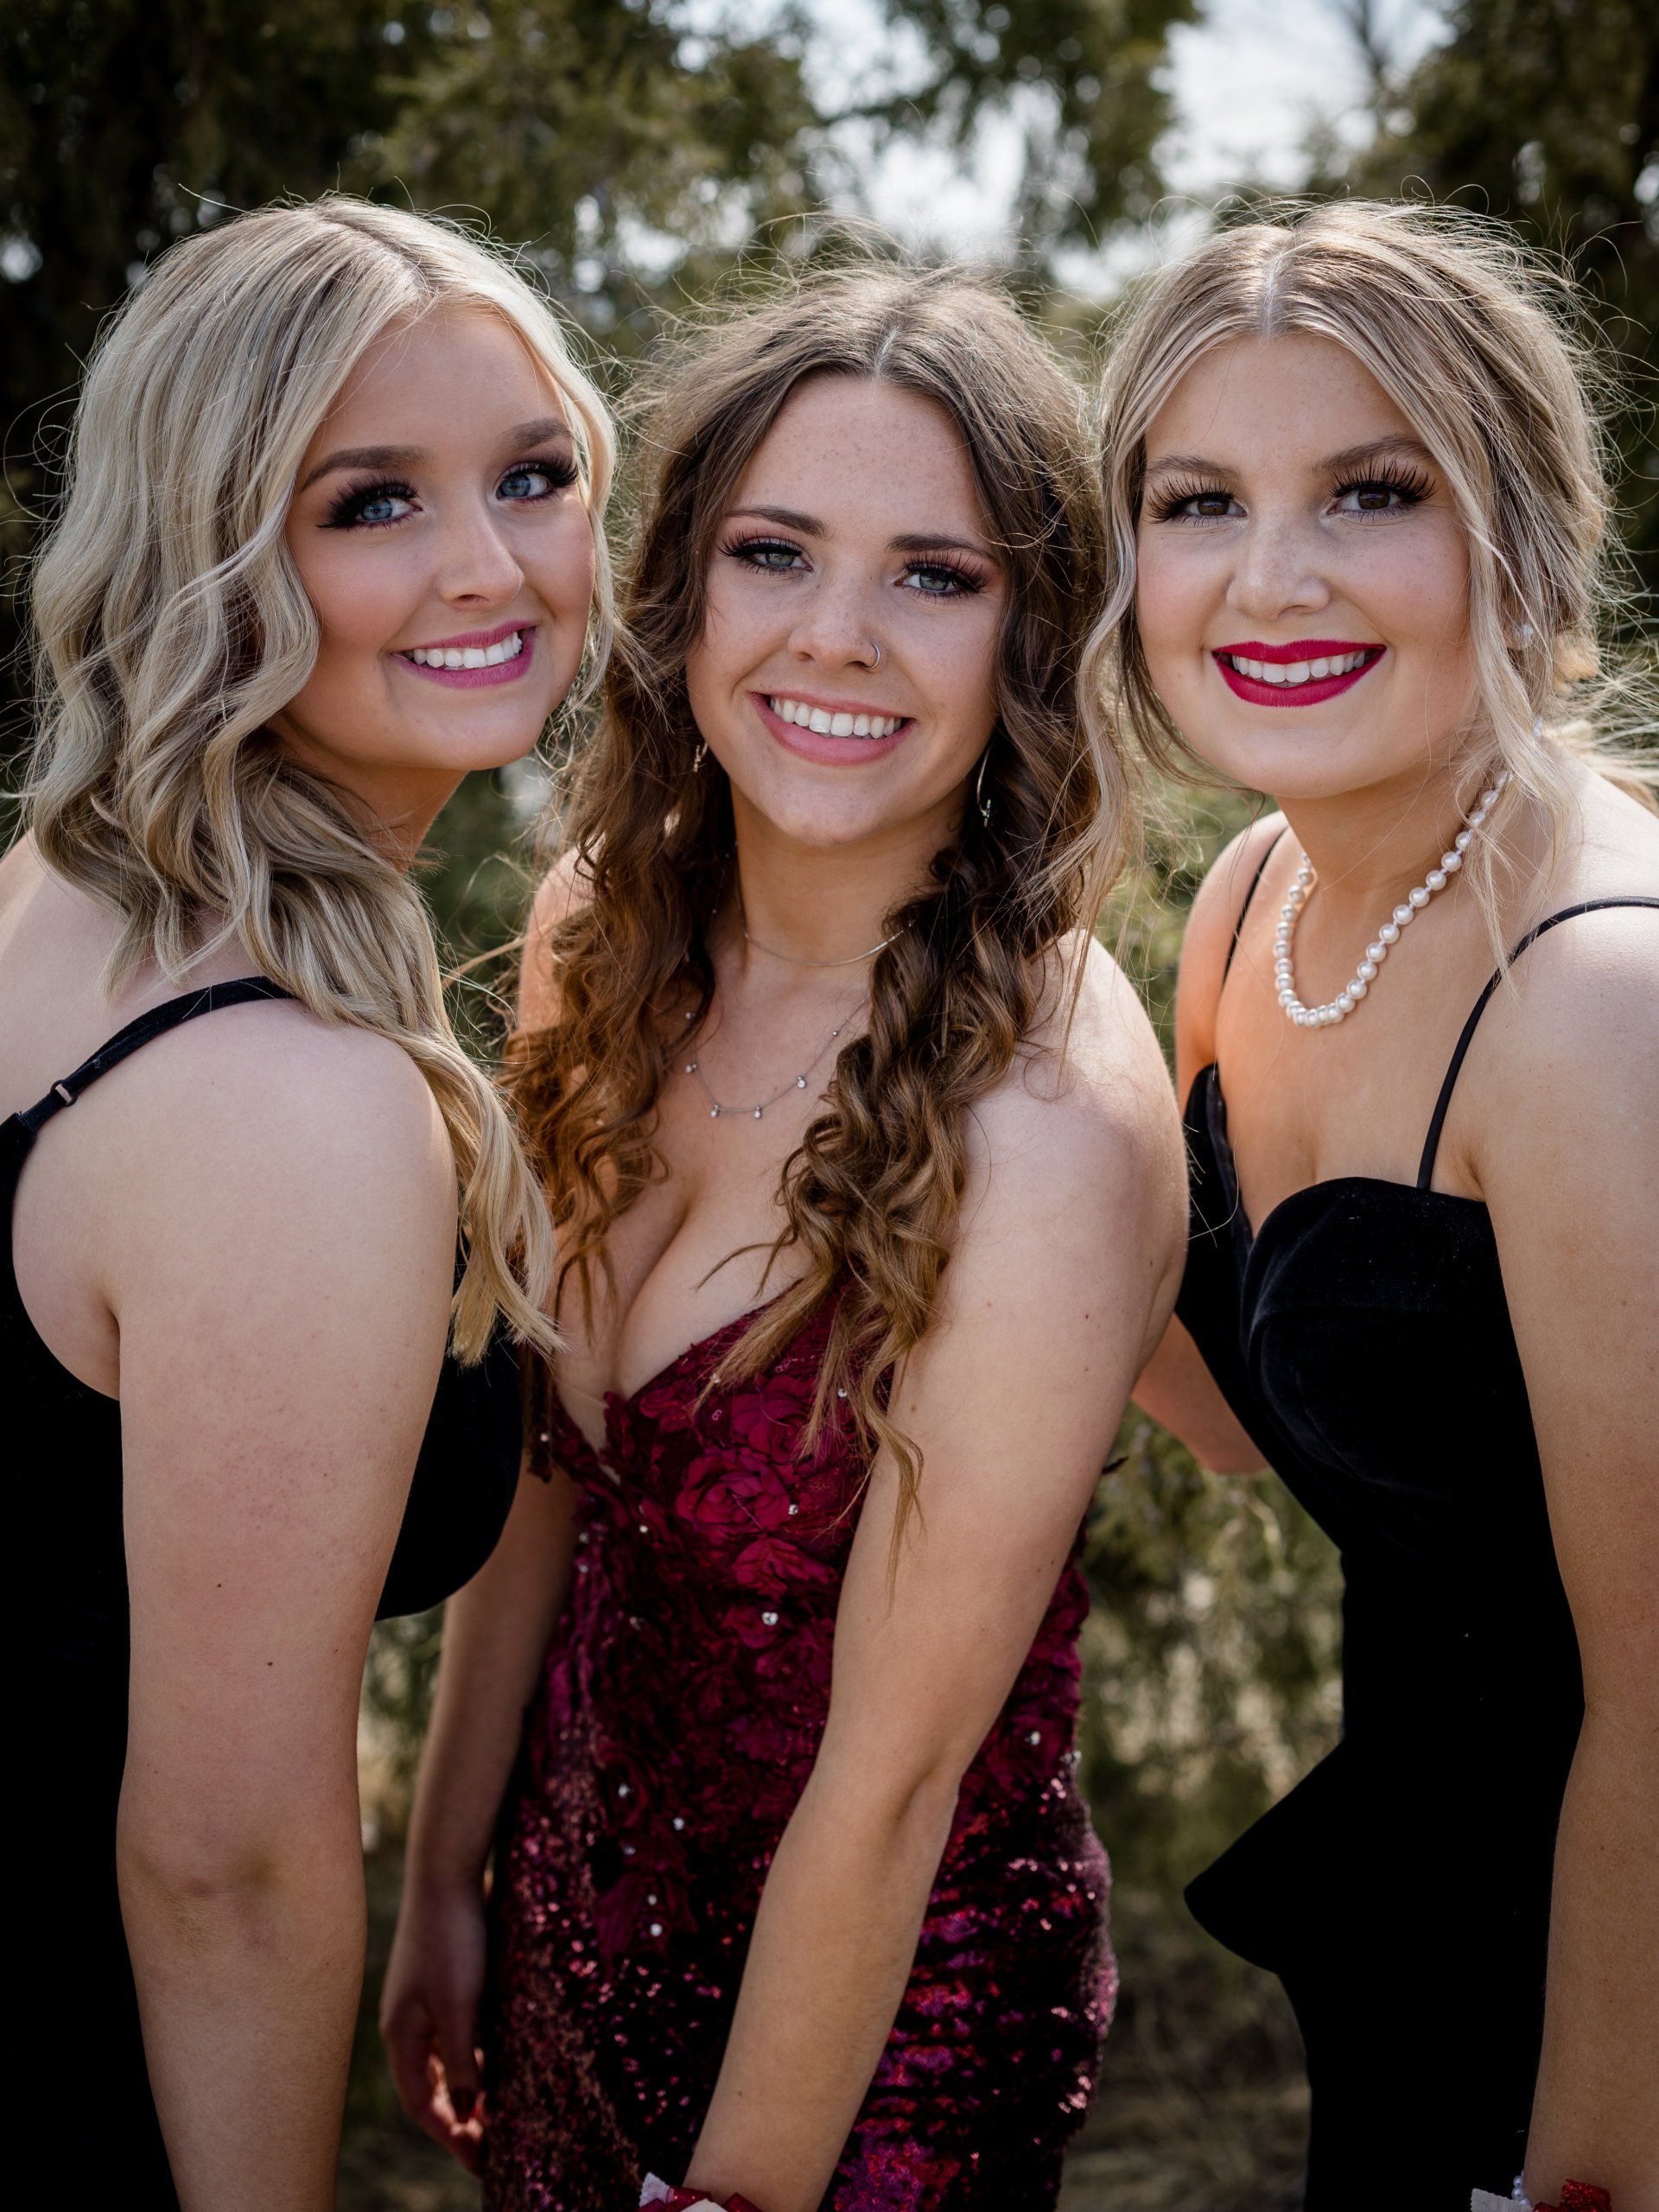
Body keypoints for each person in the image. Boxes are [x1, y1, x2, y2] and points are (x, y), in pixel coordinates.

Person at [380, 262, 1186, 2212]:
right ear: (682, 588)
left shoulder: (1048, 1121)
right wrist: (445, 1870)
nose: (838, 634)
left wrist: (724, 2199)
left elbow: (893, 1783)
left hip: (874, 2057)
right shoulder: (601, 932)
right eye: (776, 551)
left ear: (1030, 636)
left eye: (936, 574)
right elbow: (549, 1474)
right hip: (574, 1922)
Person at [4, 194, 613, 2209]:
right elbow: (228, 1862)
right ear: (209, 547)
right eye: (373, 502)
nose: (489, 561)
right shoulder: (289, 1099)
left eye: (534, 474)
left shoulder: (49, 905)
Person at [1109, 201, 1659, 2209]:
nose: (1273, 576)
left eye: (1372, 490)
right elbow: (1246, 1417)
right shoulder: (1255, 898)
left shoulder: (1598, 1001)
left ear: (1521, 532)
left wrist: (1573, 2178)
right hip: (1423, 1934)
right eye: (1198, 502)